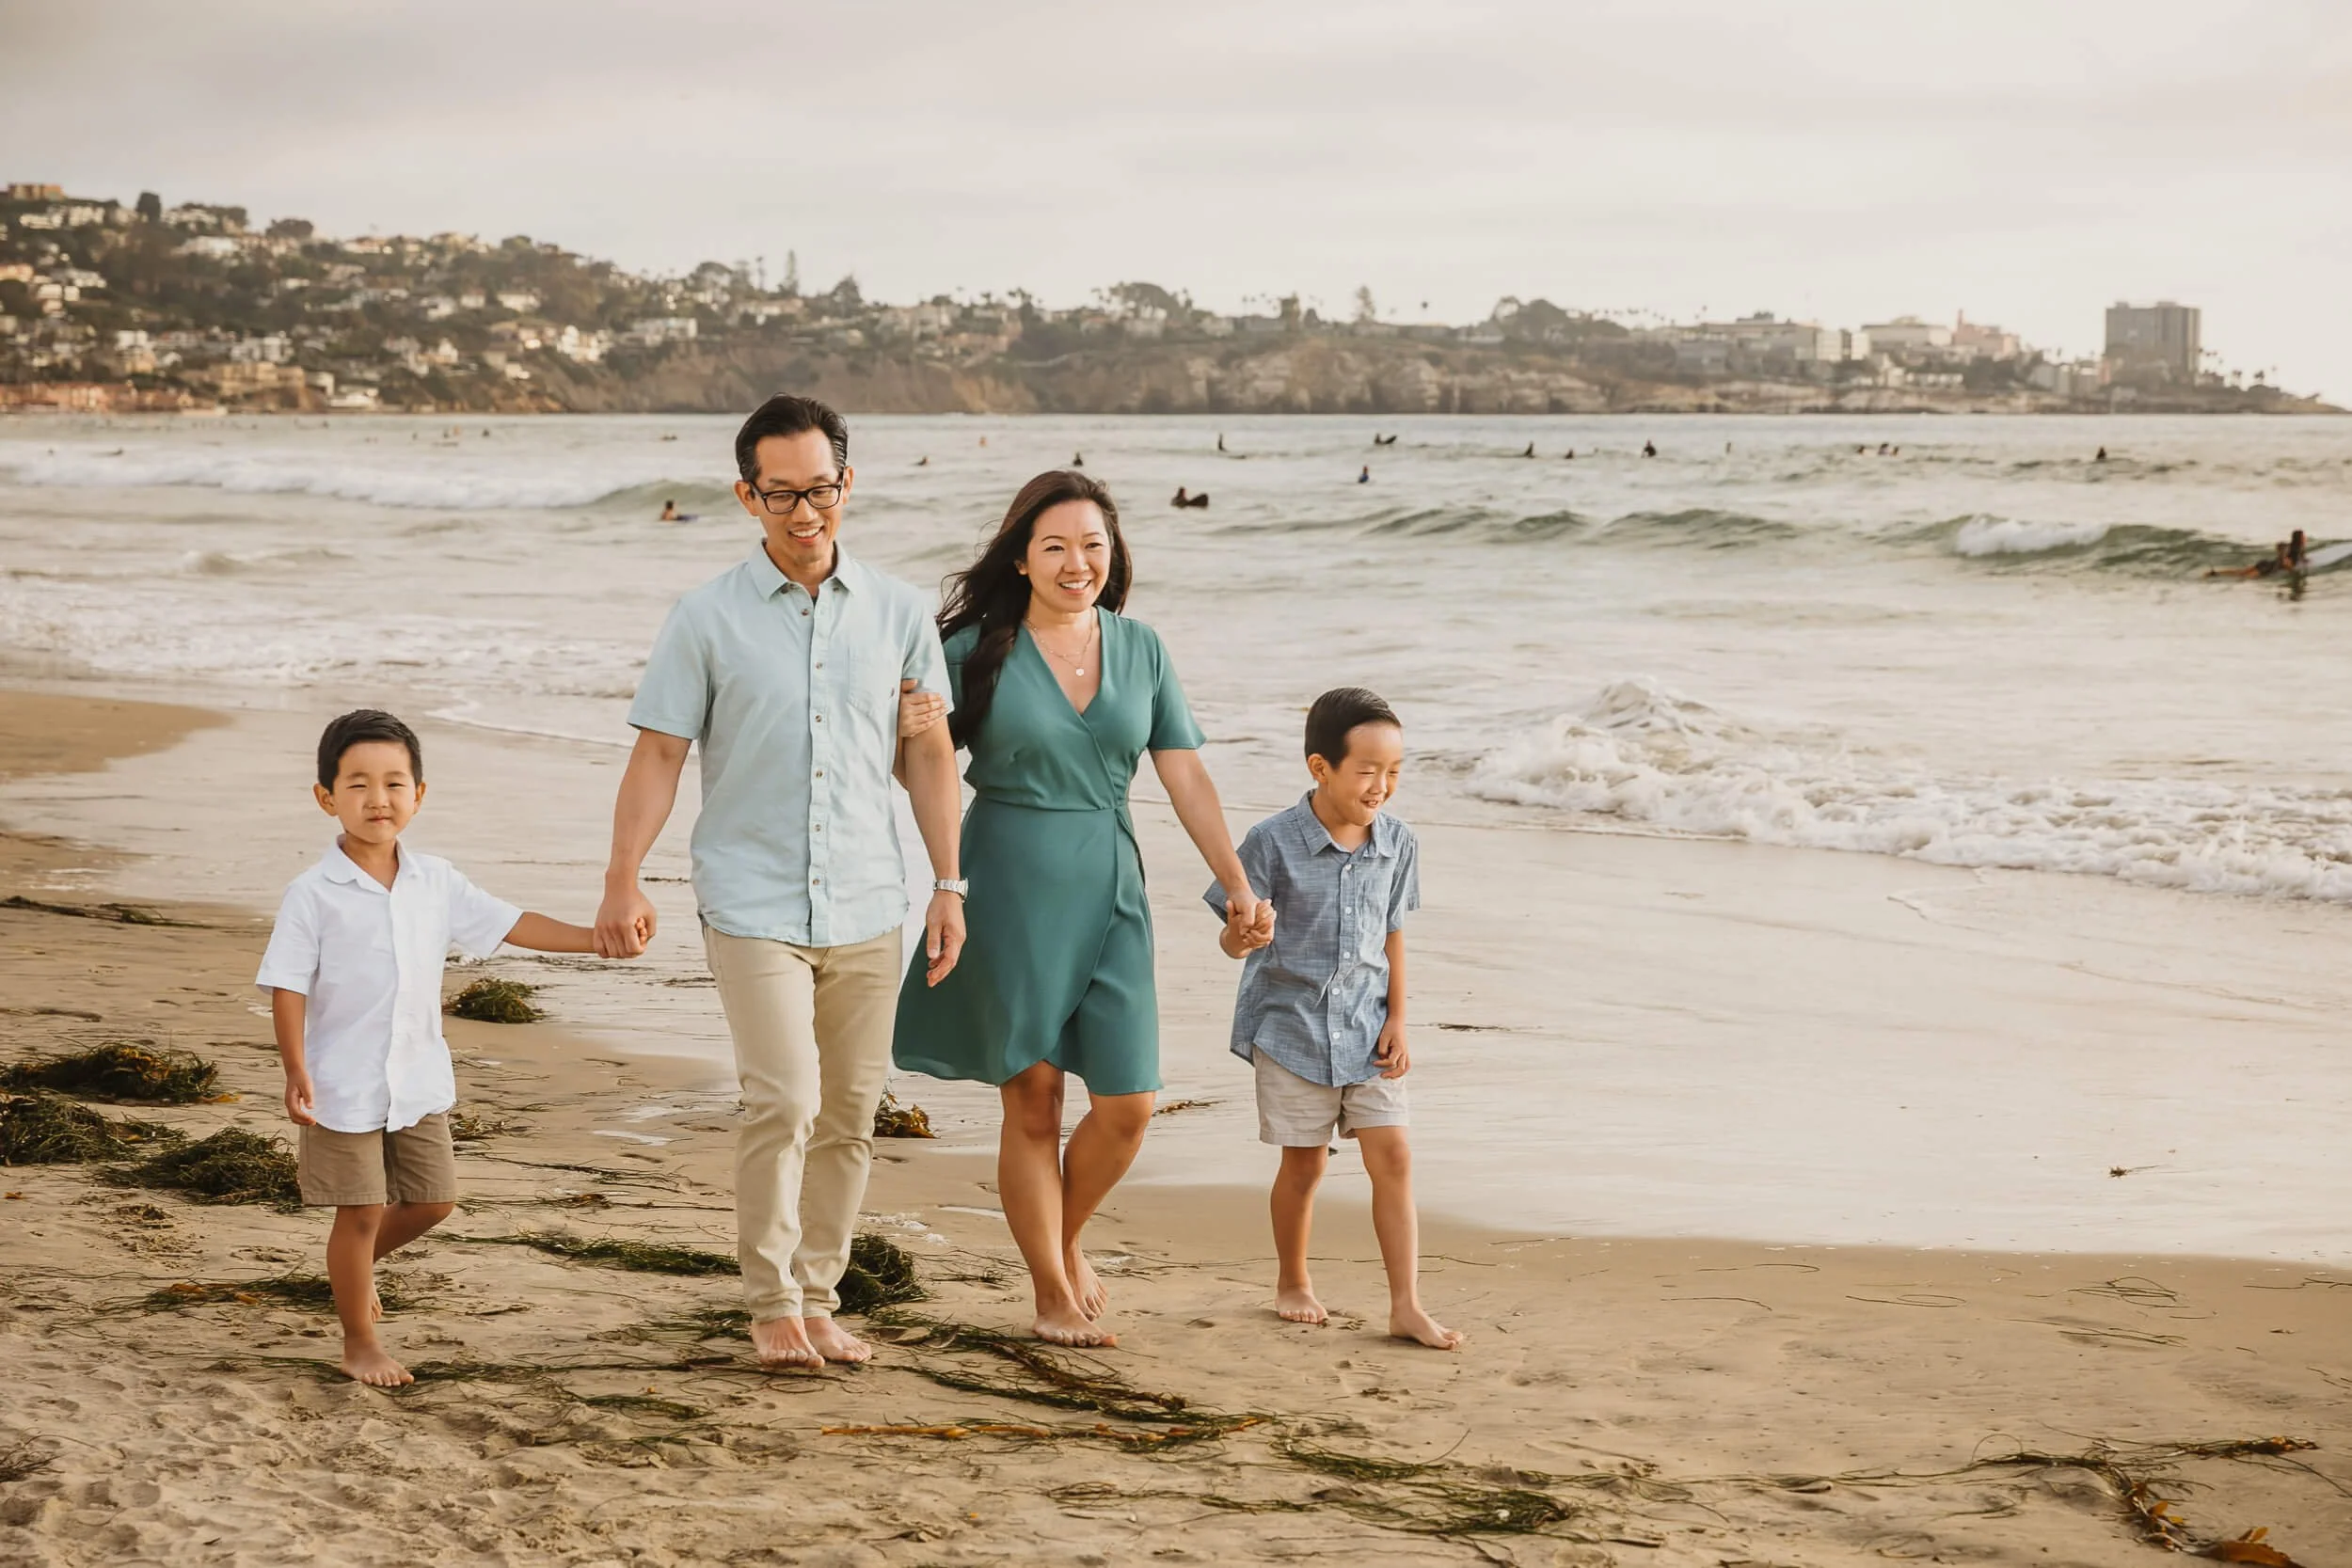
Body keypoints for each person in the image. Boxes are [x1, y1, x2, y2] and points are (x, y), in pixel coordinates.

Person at [596, 394, 967, 1371]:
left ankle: (819, 1294)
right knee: (786, 1097)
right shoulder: (706, 617)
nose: (804, 514)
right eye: (780, 495)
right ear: (746, 495)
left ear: (847, 484)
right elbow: (660, 754)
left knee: (850, 1109)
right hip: (751, 896)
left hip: (866, 895)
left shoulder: (897, 613)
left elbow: (925, 757)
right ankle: (768, 1301)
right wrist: (622, 878)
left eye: (819, 490)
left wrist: (949, 882)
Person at [891, 470, 1266, 1348]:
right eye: (1055, 546)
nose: (1076, 562)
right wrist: (944, 872)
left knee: (1129, 1103)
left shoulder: (1142, 648)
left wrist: (1239, 885)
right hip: (1007, 877)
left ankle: (1059, 1238)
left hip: (1112, 881)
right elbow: (923, 770)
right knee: (1034, 1100)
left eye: (1093, 544)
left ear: (1114, 552)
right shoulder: (973, 650)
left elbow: (1185, 773)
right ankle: (1051, 1287)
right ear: (1020, 557)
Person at [258, 709, 607, 1387]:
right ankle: (359, 1338)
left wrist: (594, 937)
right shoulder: (311, 894)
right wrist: (296, 1068)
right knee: (356, 1213)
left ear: (420, 793)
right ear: (326, 797)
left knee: (433, 1200)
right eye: (357, 784)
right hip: (341, 1083)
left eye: (394, 782)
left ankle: (350, 1273)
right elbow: (287, 986)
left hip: (416, 1077)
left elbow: (510, 923)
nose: (377, 798)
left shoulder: (435, 880)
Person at [1209, 689, 1459, 1350]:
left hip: (1371, 1025)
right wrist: (1247, 936)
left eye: (1395, 771)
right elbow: (1234, 939)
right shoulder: (1271, 842)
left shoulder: (1399, 843)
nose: (1382, 785)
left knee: (1395, 1155)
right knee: (1305, 1165)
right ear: (1321, 768)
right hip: (1290, 1028)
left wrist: (1400, 1017)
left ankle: (1405, 1303)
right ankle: (1293, 1279)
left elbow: (1394, 933)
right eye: (1367, 770)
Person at [2207, 535, 2303, 579]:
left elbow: (2281, 547)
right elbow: (2287, 566)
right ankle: (2216, 576)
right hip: (2266, 568)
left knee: (2240, 572)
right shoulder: (2288, 557)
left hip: (2265, 563)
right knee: (2243, 577)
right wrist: (2292, 571)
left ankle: (2215, 573)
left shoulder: (2291, 553)